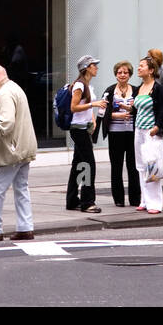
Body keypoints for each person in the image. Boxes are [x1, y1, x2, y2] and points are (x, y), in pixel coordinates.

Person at [0, 65, 38, 241]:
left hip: (11, 151)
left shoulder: (4, 94)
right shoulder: (14, 88)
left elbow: (7, 122)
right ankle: (25, 228)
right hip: (23, 148)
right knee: (21, 189)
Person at [65, 54, 107, 214]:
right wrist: (93, 104)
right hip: (78, 130)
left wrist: (93, 118)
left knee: (78, 165)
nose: (96, 67)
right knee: (89, 165)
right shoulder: (79, 86)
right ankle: (87, 202)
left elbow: (85, 108)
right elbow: (73, 107)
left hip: (84, 128)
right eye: (93, 65)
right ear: (86, 68)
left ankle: (72, 200)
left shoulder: (87, 85)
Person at [133, 54, 163, 215]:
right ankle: (144, 200)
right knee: (141, 167)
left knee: (152, 167)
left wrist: (157, 127)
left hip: (151, 132)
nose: (139, 68)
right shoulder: (139, 88)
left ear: (150, 70)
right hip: (138, 130)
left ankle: (155, 203)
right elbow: (137, 109)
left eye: (142, 66)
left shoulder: (157, 88)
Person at [100, 60, 140, 208]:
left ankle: (135, 198)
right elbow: (102, 112)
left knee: (133, 167)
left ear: (130, 74)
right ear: (115, 74)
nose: (122, 75)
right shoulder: (109, 91)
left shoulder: (136, 90)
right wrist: (117, 116)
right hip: (115, 134)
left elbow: (141, 110)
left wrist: (130, 110)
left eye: (125, 72)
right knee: (116, 167)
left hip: (132, 134)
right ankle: (118, 199)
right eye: (119, 72)